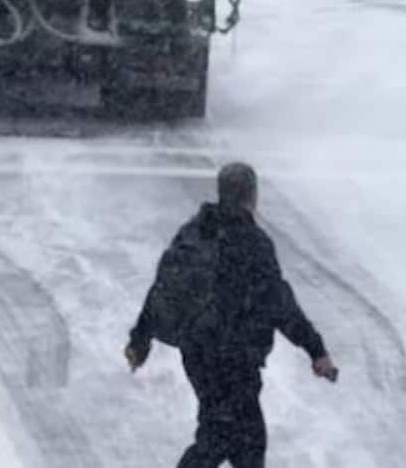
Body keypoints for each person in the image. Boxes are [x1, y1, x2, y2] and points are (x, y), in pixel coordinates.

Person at [126, 162, 340, 468]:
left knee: (234, 437)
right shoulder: (253, 243)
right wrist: (316, 350)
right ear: (252, 195)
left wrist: (140, 339)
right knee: (229, 439)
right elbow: (280, 303)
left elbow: (163, 288)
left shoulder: (194, 232)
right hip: (233, 358)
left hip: (198, 353)